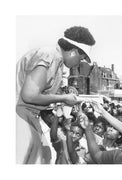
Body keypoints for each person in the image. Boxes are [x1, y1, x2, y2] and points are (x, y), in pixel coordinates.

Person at [16, 26, 95, 164]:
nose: (79, 63)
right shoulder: (49, 55)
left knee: (44, 156)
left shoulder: (56, 61)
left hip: (28, 116)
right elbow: (29, 95)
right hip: (19, 116)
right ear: (74, 51)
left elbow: (41, 91)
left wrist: (65, 93)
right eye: (81, 58)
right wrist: (64, 98)